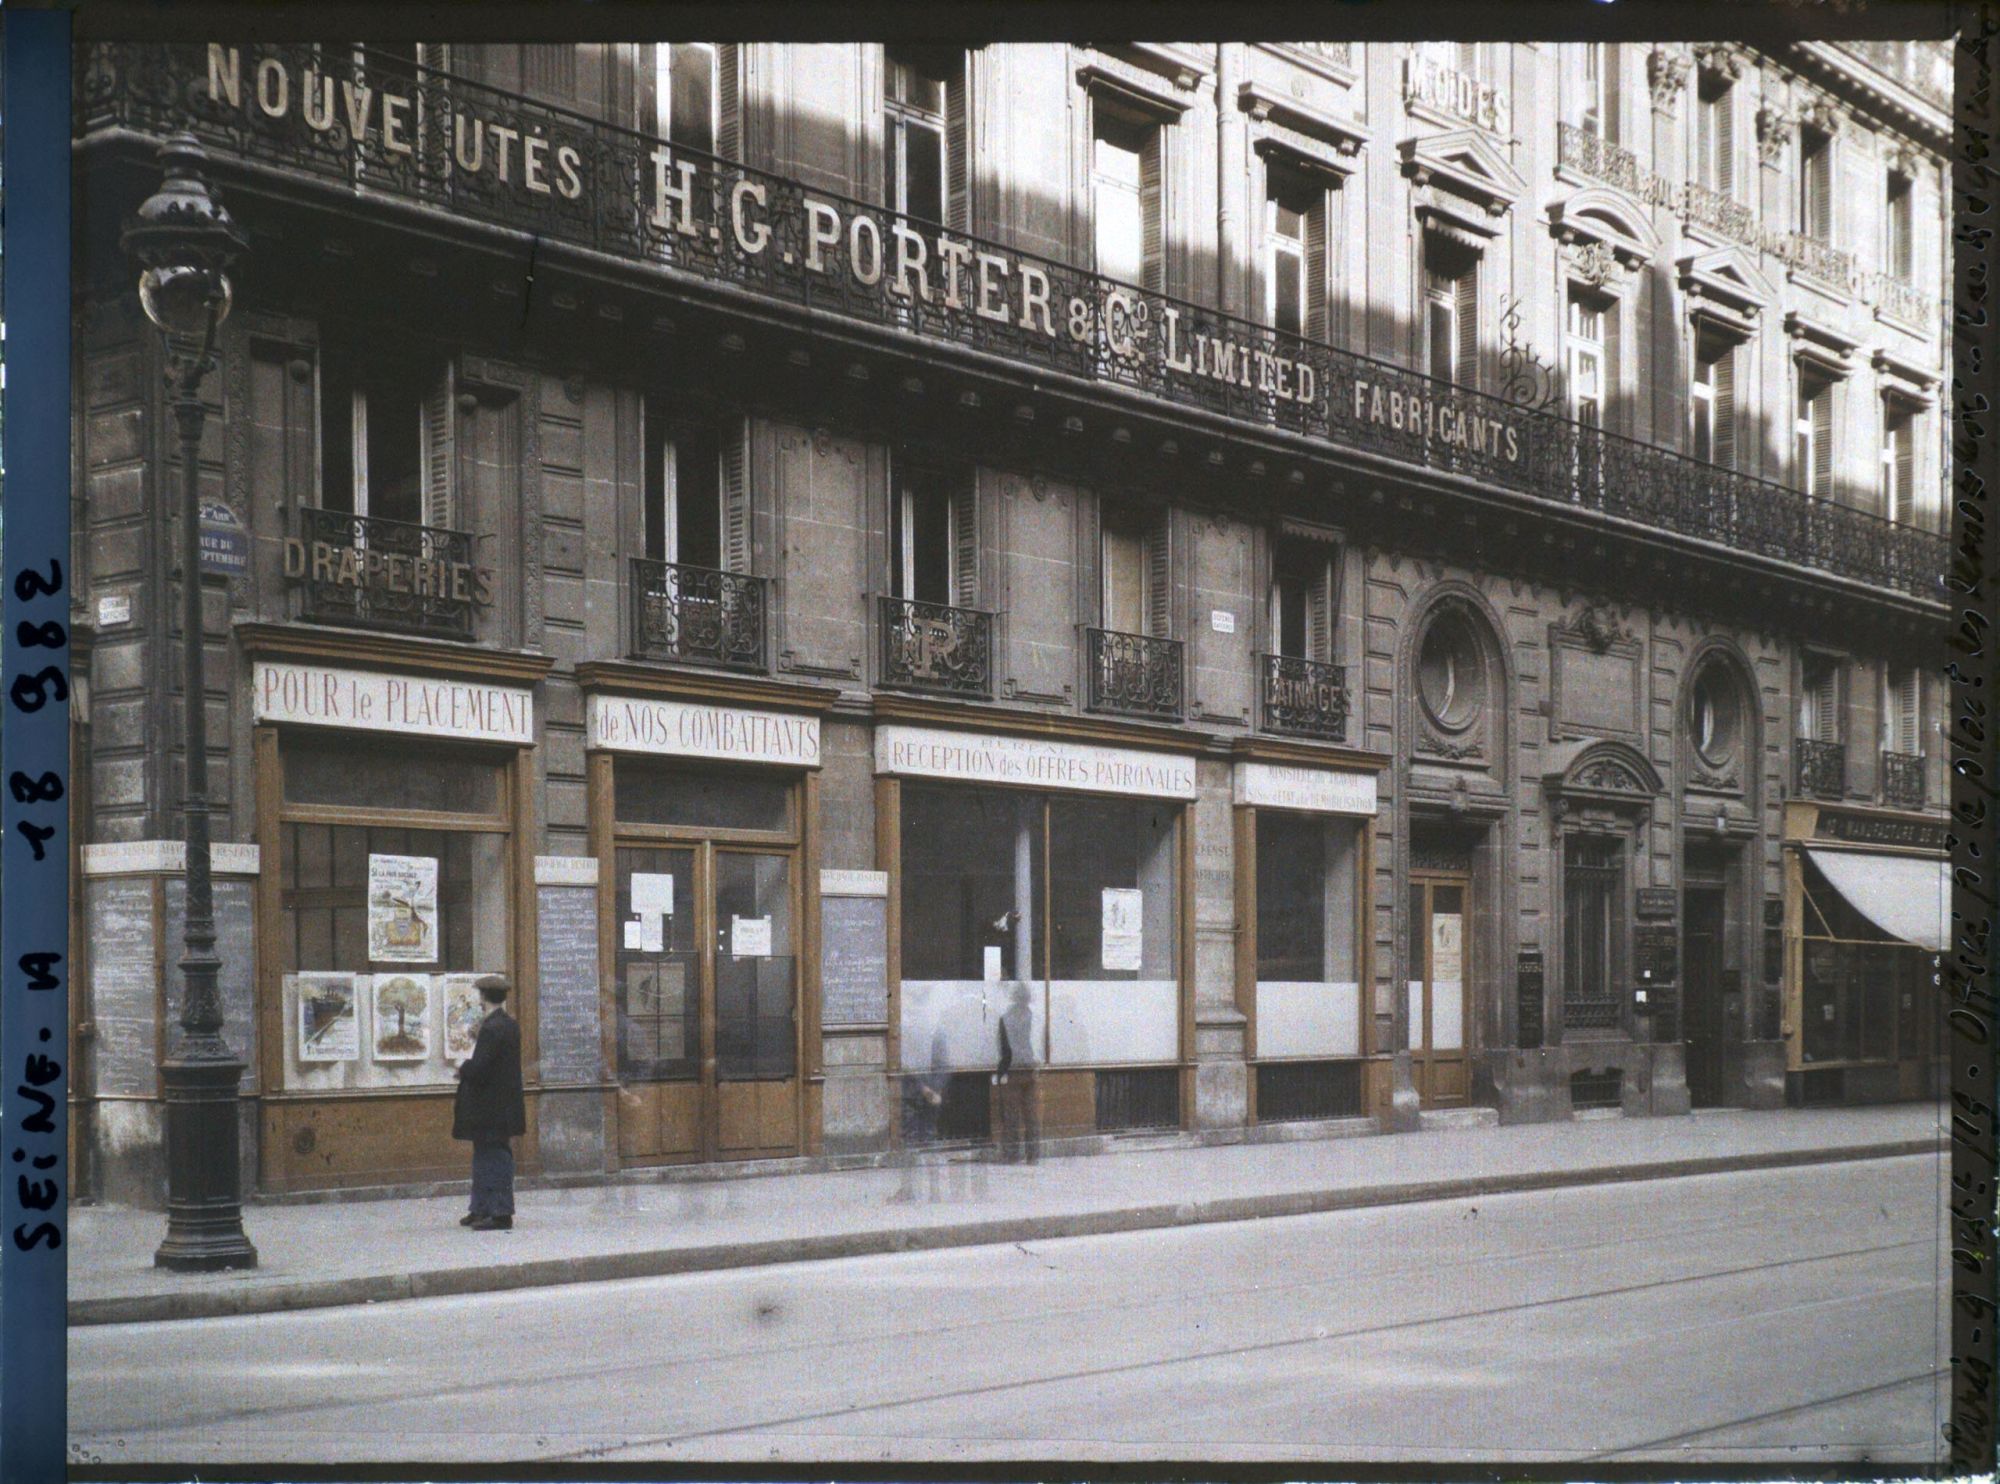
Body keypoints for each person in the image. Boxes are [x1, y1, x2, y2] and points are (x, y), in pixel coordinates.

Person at [453, 974, 525, 1231]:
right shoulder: (507, 1024)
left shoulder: (492, 1028)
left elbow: (481, 1068)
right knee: (485, 1156)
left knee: (492, 1157)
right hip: (499, 1105)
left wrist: (463, 1067)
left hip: (491, 1106)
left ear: (483, 996)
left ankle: (500, 1213)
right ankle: (481, 1208)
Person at [993, 979, 1039, 1164]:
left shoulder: (1005, 1018)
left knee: (1011, 1115)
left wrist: (1000, 1072)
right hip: (1029, 1068)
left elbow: (1001, 1046)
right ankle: (1033, 1155)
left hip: (1012, 1070)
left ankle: (1012, 1154)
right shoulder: (1031, 1016)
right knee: (1031, 1115)